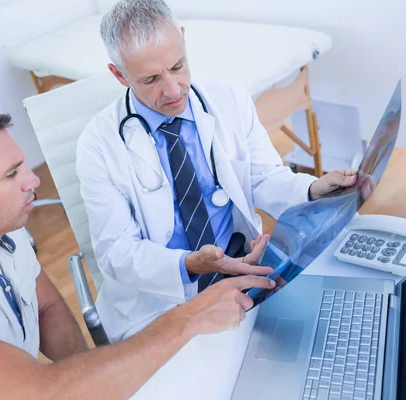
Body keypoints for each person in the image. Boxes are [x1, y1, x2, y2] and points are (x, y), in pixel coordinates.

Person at [0, 103, 275, 400]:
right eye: (12, 174)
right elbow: (43, 393)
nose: (33, 181)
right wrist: (190, 318)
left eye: (24, 165)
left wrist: (89, 381)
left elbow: (46, 307)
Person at [76, 0, 358, 342]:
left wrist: (314, 190)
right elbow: (116, 252)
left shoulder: (230, 101)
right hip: (160, 299)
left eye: (177, 66)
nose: (172, 90)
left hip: (241, 264)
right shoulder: (97, 143)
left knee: (319, 334)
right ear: (119, 75)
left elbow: (265, 177)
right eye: (150, 79)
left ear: (183, 39)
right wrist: (190, 264)